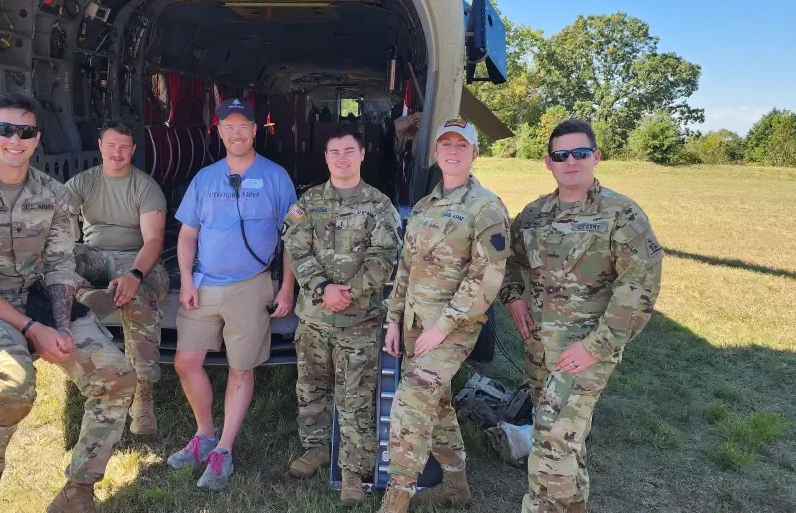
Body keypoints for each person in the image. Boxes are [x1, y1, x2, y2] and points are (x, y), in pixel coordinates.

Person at [0, 93, 135, 513]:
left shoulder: (54, 194)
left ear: (36, 139)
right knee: (13, 386)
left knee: (117, 377)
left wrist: (58, 325)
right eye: (4, 129)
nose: (14, 139)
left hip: (39, 301)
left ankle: (77, 494)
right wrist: (29, 328)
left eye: (25, 131)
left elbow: (59, 266)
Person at [500, 119, 663, 513]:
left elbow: (638, 290)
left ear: (596, 157)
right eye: (561, 155)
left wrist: (596, 347)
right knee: (564, 437)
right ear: (548, 163)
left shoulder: (622, 215)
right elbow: (505, 260)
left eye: (580, 153)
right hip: (539, 350)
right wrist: (513, 298)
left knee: (552, 438)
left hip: (586, 351)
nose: (570, 161)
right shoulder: (535, 214)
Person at [379, 118, 512, 513]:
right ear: (435, 153)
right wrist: (392, 319)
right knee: (436, 406)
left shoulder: (487, 207)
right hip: (414, 322)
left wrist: (443, 327)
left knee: (411, 402)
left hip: (452, 328)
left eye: (462, 145)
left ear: (475, 153)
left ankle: (397, 498)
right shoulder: (425, 206)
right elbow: (406, 267)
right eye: (446, 145)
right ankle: (456, 486)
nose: (453, 151)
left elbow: (488, 276)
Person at [169, 98, 297, 490]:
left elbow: (292, 236)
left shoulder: (276, 177)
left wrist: (287, 287)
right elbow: (188, 233)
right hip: (206, 283)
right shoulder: (205, 179)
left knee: (240, 368)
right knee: (185, 362)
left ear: (256, 130)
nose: (237, 132)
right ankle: (204, 433)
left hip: (252, 284)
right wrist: (187, 280)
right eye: (229, 126)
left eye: (244, 125)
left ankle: (224, 448)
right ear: (219, 131)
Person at [282, 127, 402, 505]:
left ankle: (353, 471)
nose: (342, 158)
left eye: (349, 151)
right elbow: (295, 250)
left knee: (355, 397)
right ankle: (316, 449)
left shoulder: (380, 205)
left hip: (359, 320)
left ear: (362, 154)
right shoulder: (309, 202)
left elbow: (384, 259)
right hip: (315, 319)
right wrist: (322, 289)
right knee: (312, 388)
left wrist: (347, 294)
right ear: (326, 157)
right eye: (334, 151)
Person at [66, 120, 169, 436]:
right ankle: (88, 295)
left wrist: (135, 275)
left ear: (133, 150)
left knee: (136, 299)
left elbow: (153, 241)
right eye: (111, 145)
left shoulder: (145, 186)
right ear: (100, 146)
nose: (117, 152)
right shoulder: (83, 182)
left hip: (138, 259)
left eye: (124, 146)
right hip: (96, 255)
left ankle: (143, 398)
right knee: (62, 263)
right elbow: (58, 222)